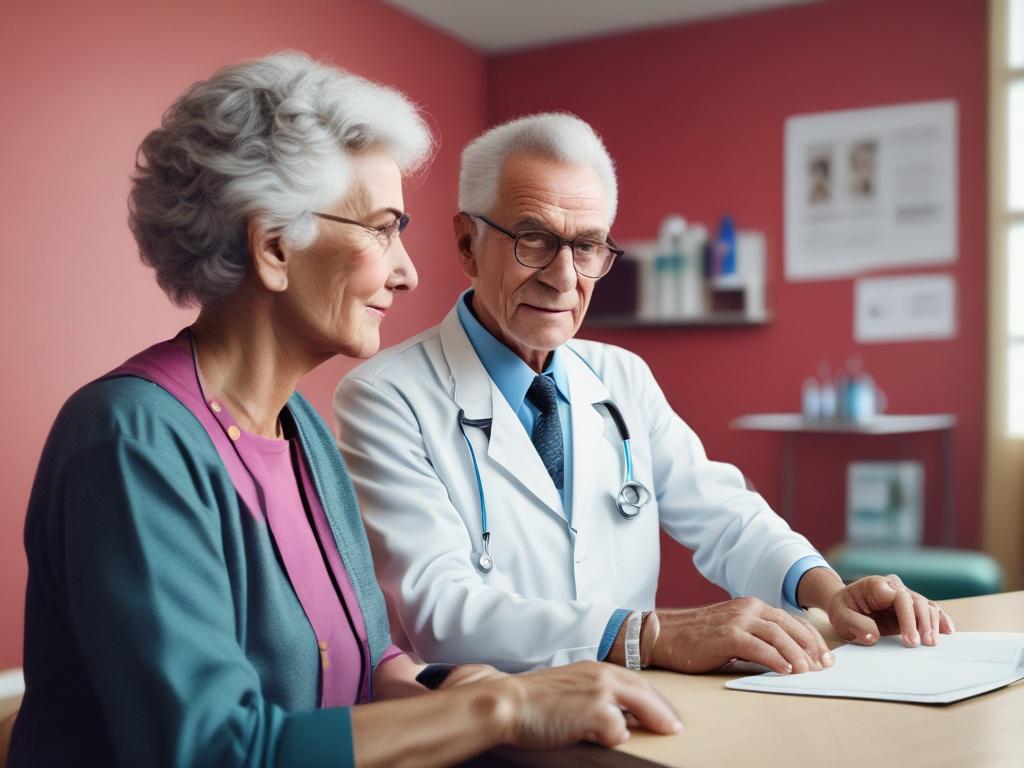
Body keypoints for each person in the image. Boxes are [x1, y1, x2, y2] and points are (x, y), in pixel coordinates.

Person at [9, 58, 682, 768]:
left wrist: (474, 691)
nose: (408, 271)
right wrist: (498, 707)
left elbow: (371, 662)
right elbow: (215, 752)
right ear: (274, 246)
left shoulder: (305, 432)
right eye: (383, 229)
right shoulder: (130, 441)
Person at [335, 112, 955, 676]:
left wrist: (827, 589)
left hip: (631, 713)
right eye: (534, 240)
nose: (563, 278)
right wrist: (645, 635)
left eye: (586, 247)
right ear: (468, 242)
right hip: (495, 728)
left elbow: (724, 515)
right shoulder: (385, 397)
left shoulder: (620, 376)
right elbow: (440, 611)